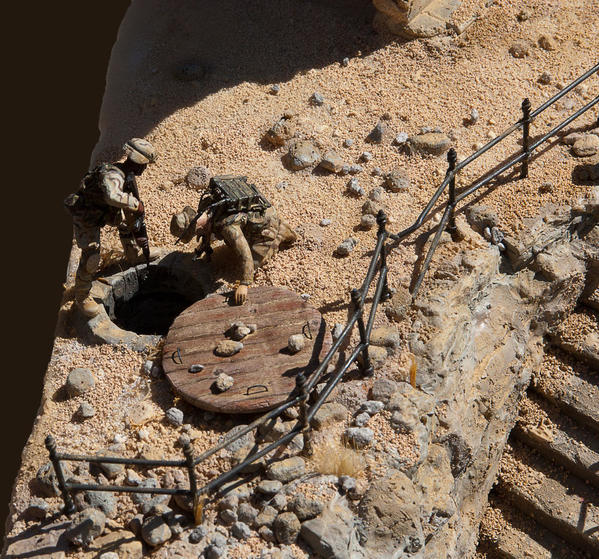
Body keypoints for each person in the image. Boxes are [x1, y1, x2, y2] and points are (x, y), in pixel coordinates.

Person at [64, 138, 159, 317]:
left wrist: (138, 229)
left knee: (125, 223)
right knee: (92, 256)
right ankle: (82, 295)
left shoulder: (127, 175)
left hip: (104, 211)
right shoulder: (114, 175)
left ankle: (133, 254)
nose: (145, 169)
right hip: (87, 215)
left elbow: (126, 211)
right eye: (145, 165)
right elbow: (113, 197)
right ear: (139, 163)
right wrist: (135, 203)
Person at [170, 175, 297, 304]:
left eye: (194, 232)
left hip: (265, 226)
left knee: (254, 262)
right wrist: (204, 246)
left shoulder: (229, 227)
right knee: (229, 240)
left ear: (197, 226)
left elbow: (245, 252)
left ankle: (280, 234)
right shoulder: (206, 205)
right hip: (253, 216)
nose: (196, 234)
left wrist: (244, 283)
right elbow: (208, 231)